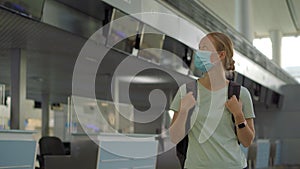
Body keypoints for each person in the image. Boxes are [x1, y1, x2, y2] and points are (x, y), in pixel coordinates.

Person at [169, 32, 255, 169]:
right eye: (199, 48)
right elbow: (173, 138)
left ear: (220, 55)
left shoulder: (240, 94)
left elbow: (247, 141)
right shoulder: (186, 91)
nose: (199, 53)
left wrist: (238, 115)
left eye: (205, 48)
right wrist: (184, 111)